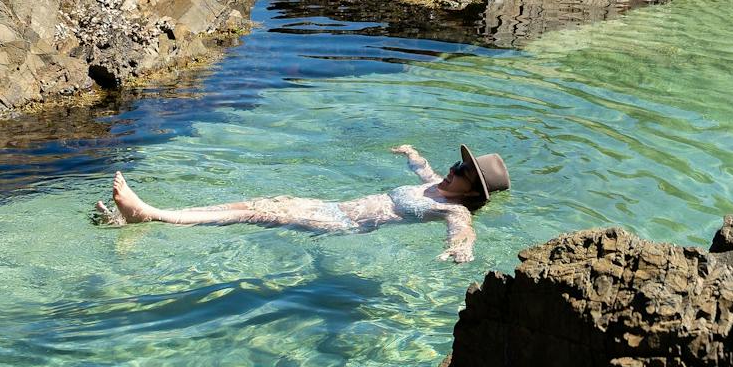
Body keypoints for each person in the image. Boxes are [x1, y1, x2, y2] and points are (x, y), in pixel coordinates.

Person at [95, 143, 510, 264]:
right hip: (330, 205)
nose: (453, 169)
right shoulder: (437, 183)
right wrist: (411, 154)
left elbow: (464, 232)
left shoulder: (454, 209)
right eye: (458, 163)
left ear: (473, 191)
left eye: (463, 171)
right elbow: (423, 168)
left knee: (255, 214)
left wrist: (461, 249)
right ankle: (145, 214)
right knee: (251, 203)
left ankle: (148, 214)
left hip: (343, 224)